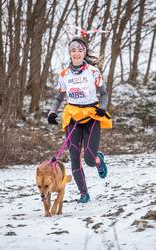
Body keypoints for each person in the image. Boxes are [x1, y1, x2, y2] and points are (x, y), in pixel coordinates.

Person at [47, 37, 112, 203]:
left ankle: (98, 159)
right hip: (73, 117)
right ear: (70, 53)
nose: (76, 53)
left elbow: (104, 94)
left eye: (80, 50)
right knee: (74, 157)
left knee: (89, 160)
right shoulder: (64, 74)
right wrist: (53, 112)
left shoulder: (93, 71)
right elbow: (59, 96)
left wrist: (103, 107)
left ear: (84, 52)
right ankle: (84, 193)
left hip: (91, 115)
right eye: (73, 50)